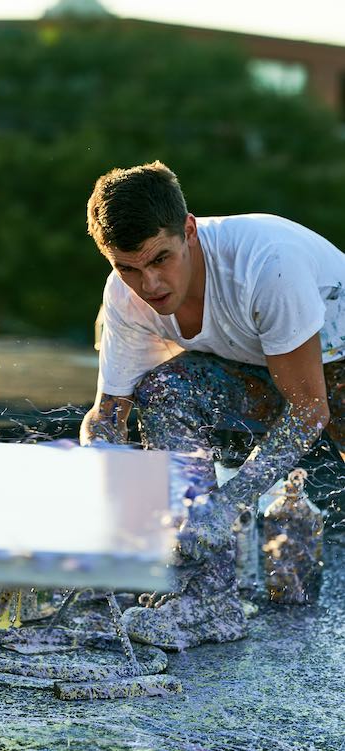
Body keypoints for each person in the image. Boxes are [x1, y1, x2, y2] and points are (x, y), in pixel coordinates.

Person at [79, 161, 344, 648]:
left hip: (336, 359)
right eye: (128, 268)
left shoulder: (266, 264)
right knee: (164, 392)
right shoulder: (125, 295)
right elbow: (107, 414)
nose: (150, 284)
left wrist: (228, 503)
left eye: (161, 259)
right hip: (262, 365)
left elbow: (310, 410)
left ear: (188, 230)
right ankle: (209, 600)